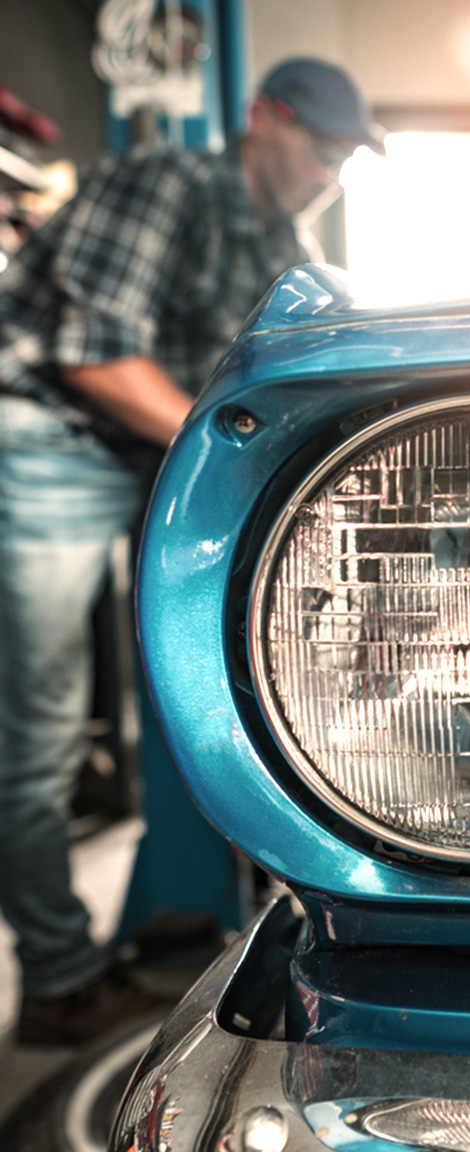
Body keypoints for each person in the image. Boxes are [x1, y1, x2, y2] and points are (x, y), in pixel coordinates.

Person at [0, 57, 382, 1045]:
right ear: (261, 117)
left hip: (140, 458)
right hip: (44, 445)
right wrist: (233, 456)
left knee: (224, 667)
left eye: (343, 158)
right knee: (38, 724)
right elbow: (95, 354)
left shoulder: (283, 248)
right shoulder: (166, 184)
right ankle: (57, 980)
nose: (325, 171)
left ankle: (196, 919)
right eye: (316, 145)